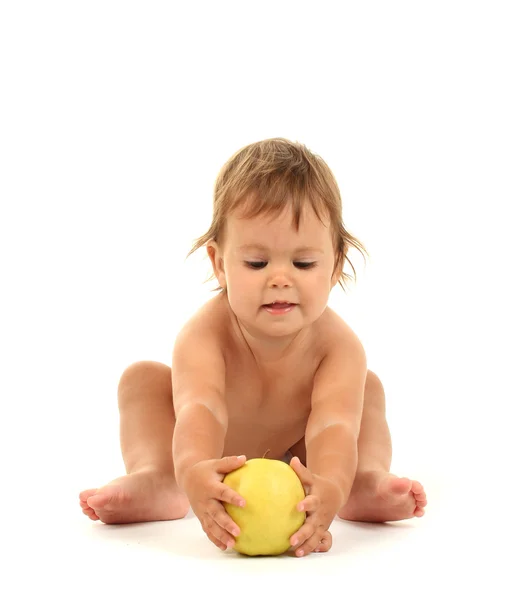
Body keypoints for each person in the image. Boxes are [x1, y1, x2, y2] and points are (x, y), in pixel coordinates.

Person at [79, 137, 427, 557]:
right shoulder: (205, 334)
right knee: (141, 380)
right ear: (218, 263)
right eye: (257, 263)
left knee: (365, 390)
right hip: (213, 451)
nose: (280, 278)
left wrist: (330, 483)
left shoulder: (339, 347)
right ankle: (160, 479)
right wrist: (192, 470)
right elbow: (200, 409)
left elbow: (333, 425)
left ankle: (359, 482)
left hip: (300, 455)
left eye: (303, 263)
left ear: (335, 265)